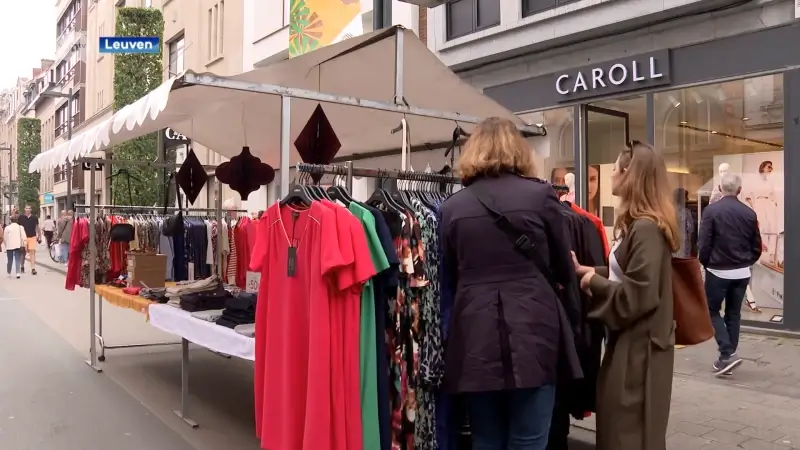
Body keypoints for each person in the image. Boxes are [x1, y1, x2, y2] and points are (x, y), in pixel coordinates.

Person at [440, 117, 581, 450]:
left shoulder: (452, 208)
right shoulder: (540, 196)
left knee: (486, 438)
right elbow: (563, 266)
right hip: (534, 325)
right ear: (518, 149)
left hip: (475, 330)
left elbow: (450, 273)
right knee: (530, 438)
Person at [573, 140, 678, 450]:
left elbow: (640, 293)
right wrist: (588, 271)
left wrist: (594, 282)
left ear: (630, 174)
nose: (611, 175)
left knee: (628, 433)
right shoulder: (640, 226)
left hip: (639, 354)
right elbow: (630, 276)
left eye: (615, 169)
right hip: (633, 347)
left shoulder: (645, 228)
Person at [699, 172, 762, 376]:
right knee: (734, 313)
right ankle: (728, 357)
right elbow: (756, 244)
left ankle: (727, 354)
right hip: (742, 271)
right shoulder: (749, 213)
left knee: (712, 310)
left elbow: (704, 242)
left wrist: (705, 262)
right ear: (740, 190)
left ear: (720, 189)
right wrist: (747, 261)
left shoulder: (711, 211)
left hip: (718, 270)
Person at [17, 205, 41, 275]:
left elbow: (37, 227)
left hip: (32, 237)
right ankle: (22, 266)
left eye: (29, 208)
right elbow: (18, 227)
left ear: (31, 210)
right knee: (23, 252)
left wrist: (39, 236)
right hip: (23, 237)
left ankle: (33, 269)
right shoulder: (21, 217)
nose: (28, 209)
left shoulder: (34, 218)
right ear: (24, 209)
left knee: (32, 252)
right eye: (26, 208)